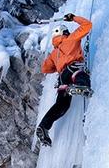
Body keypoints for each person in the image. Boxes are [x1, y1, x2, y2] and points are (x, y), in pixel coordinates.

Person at [36, 12, 92, 146]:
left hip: (62, 78)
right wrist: (73, 18)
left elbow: (45, 69)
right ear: (64, 33)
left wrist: (58, 62)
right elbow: (87, 25)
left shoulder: (54, 54)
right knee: (80, 75)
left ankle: (43, 126)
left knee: (62, 105)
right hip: (73, 70)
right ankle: (80, 86)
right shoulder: (70, 39)